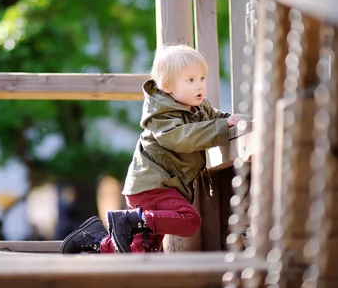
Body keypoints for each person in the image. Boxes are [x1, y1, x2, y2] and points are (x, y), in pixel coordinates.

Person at [60, 44, 244, 254]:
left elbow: (216, 118)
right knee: (190, 220)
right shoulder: (161, 115)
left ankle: (93, 239)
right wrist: (221, 127)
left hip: (163, 187)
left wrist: (230, 120)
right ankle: (131, 220)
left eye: (202, 78)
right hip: (152, 187)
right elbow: (181, 138)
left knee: (140, 250)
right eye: (190, 80)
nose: (199, 86)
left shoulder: (200, 107)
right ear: (167, 85)